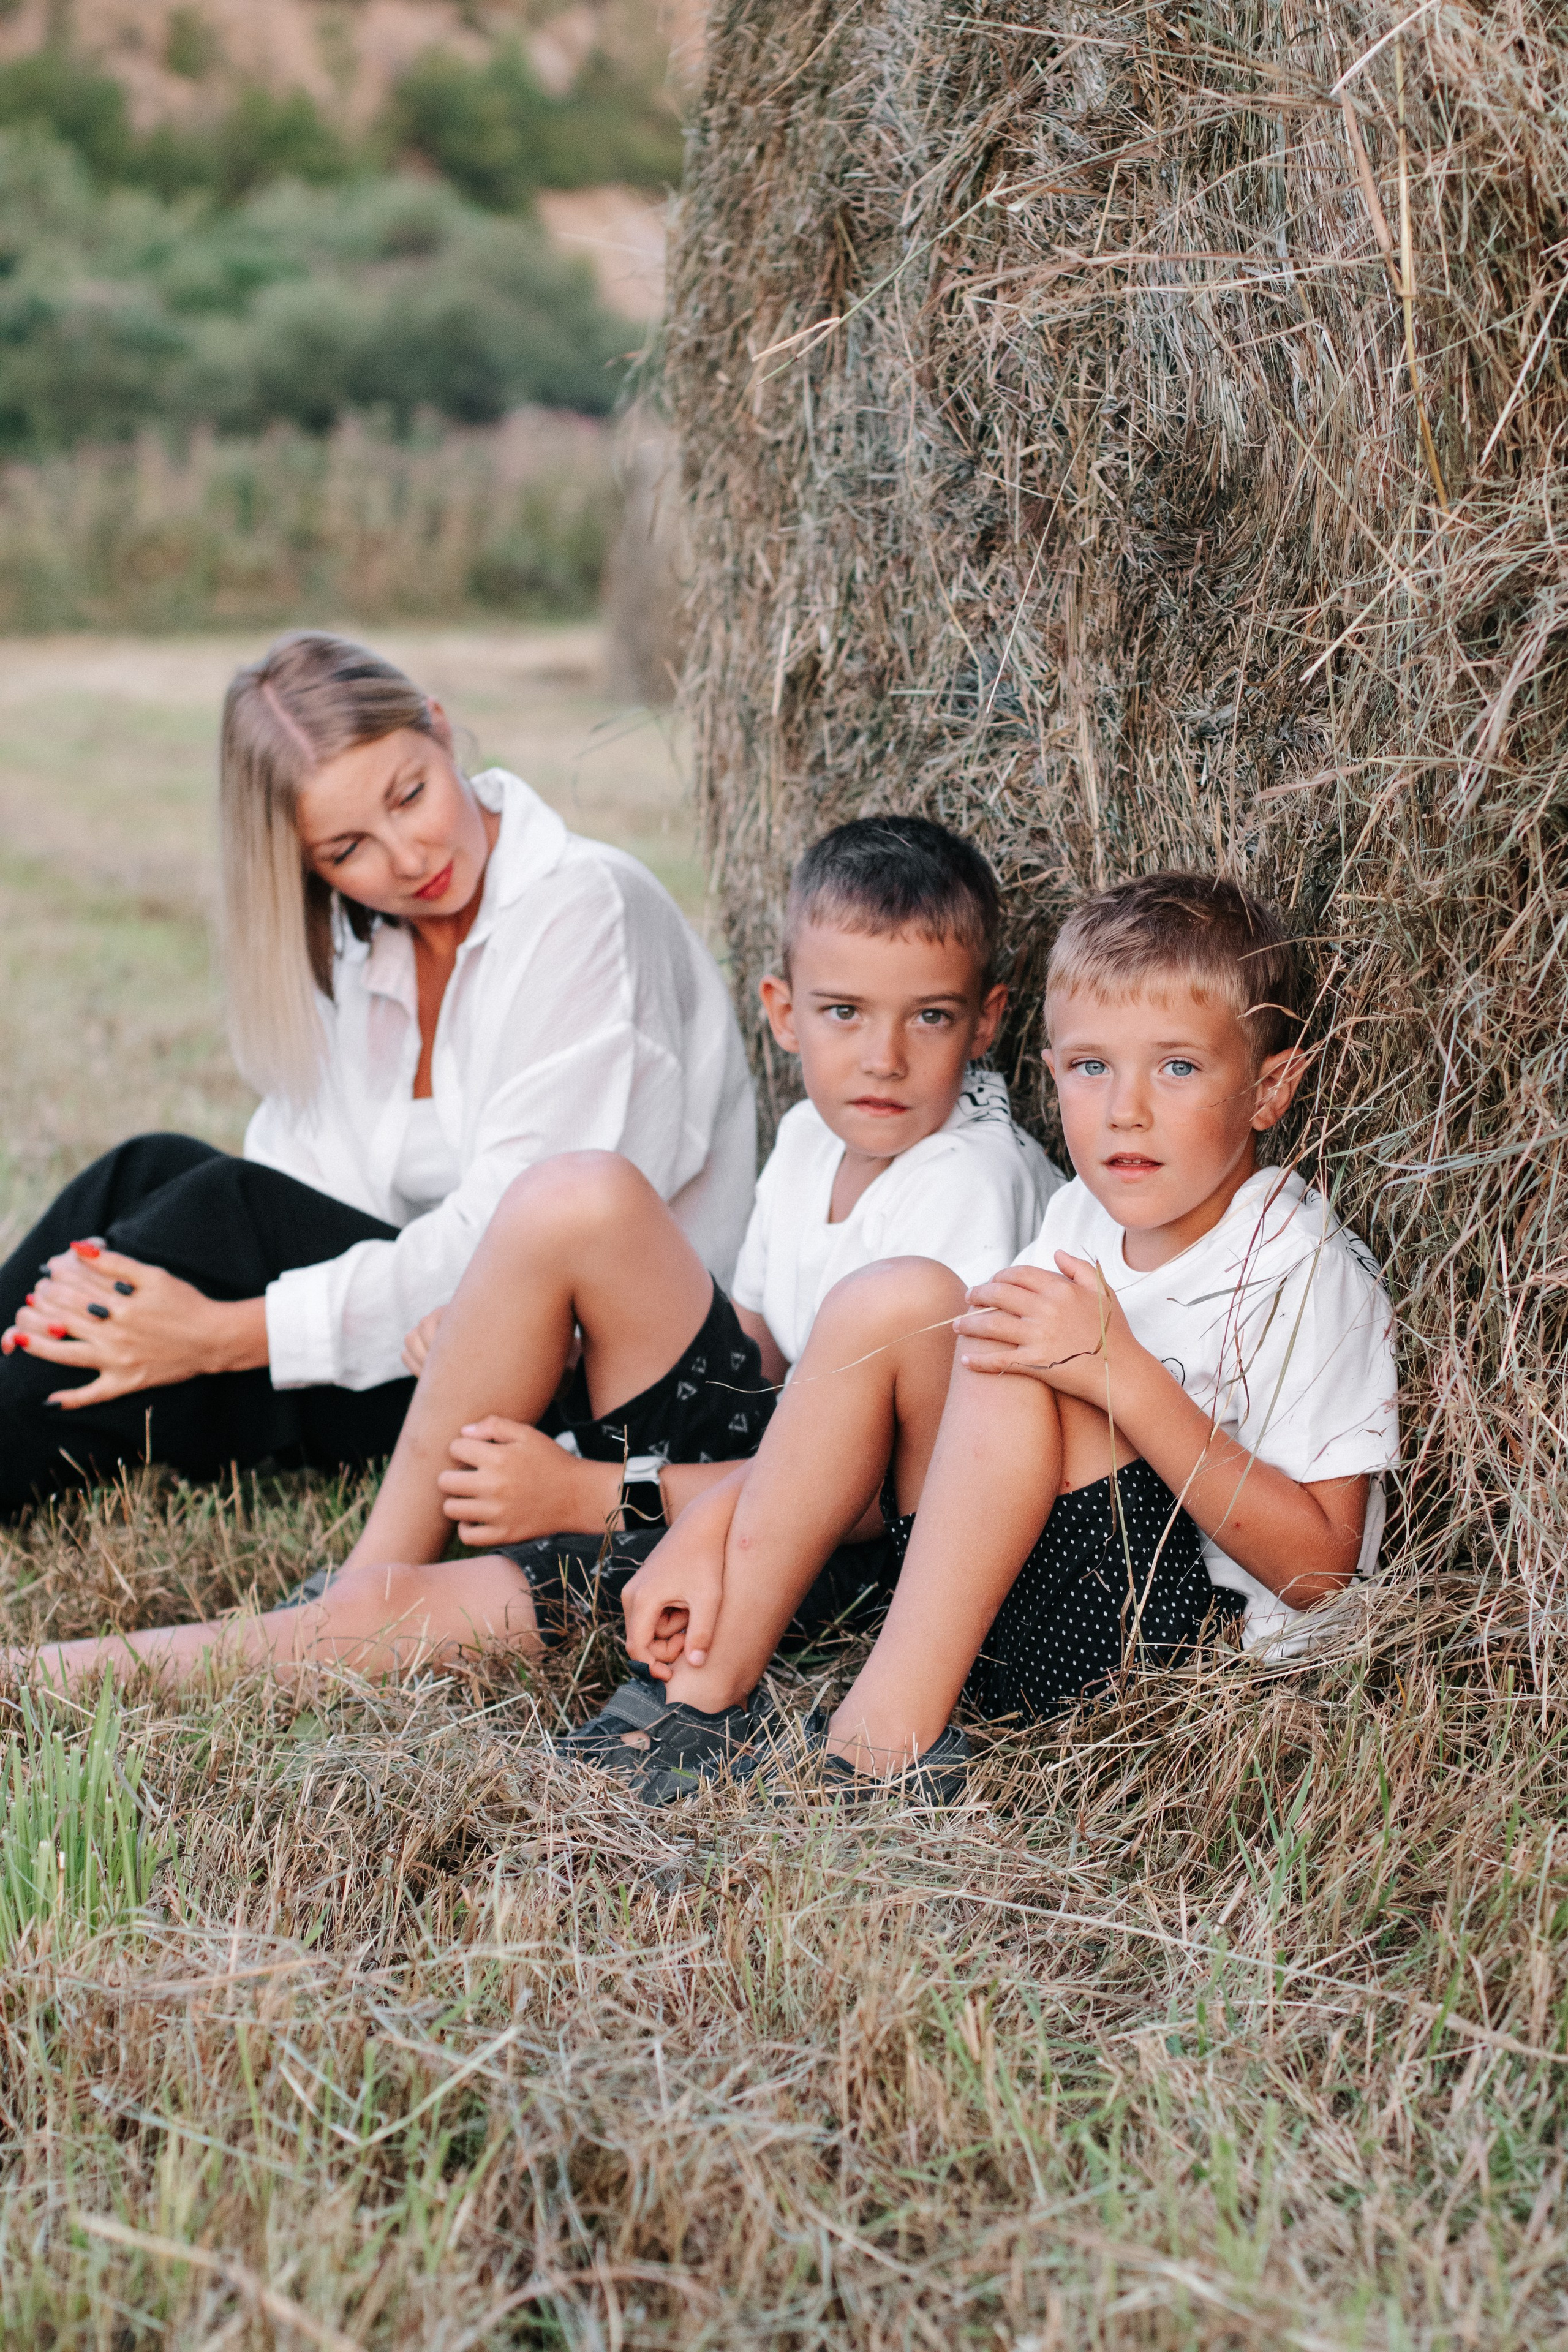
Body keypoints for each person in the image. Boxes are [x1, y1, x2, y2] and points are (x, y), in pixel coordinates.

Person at [13, 816, 1062, 1691]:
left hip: (819, 1557)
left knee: (400, 1622)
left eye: (929, 1018)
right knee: (577, 1191)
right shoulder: (812, 1137)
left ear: (985, 1024)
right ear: (783, 1015)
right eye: (844, 1013)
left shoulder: (965, 1187)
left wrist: (593, 1492)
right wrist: (523, 1325)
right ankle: (369, 1565)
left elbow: (877, 1491)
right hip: (744, 1463)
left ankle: (40, 1677)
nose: (882, 1058)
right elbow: (764, 1352)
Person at [563, 870, 1400, 1804]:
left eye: (1177, 1068)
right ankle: (703, 1697)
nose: (1125, 1108)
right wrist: (710, 1522)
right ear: (1052, 1072)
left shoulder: (1300, 1269)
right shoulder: (1078, 1216)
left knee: (1019, 1355)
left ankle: (880, 1749)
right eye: (1092, 1067)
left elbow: (1325, 1574)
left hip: (1172, 1665)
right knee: (896, 1300)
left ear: (1270, 1087)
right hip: (1010, 1603)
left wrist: (1121, 1375)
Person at [0, 630, 754, 1520]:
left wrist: (223, 1335)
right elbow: (305, 1187)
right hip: (420, 1338)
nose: (406, 859)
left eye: (411, 795)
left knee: (218, 1214)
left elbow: (513, 1242)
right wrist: (169, 1310)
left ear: (440, 728)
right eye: (347, 848)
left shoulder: (588, 911)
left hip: (576, 1382)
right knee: (150, 1172)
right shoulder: (374, 945)